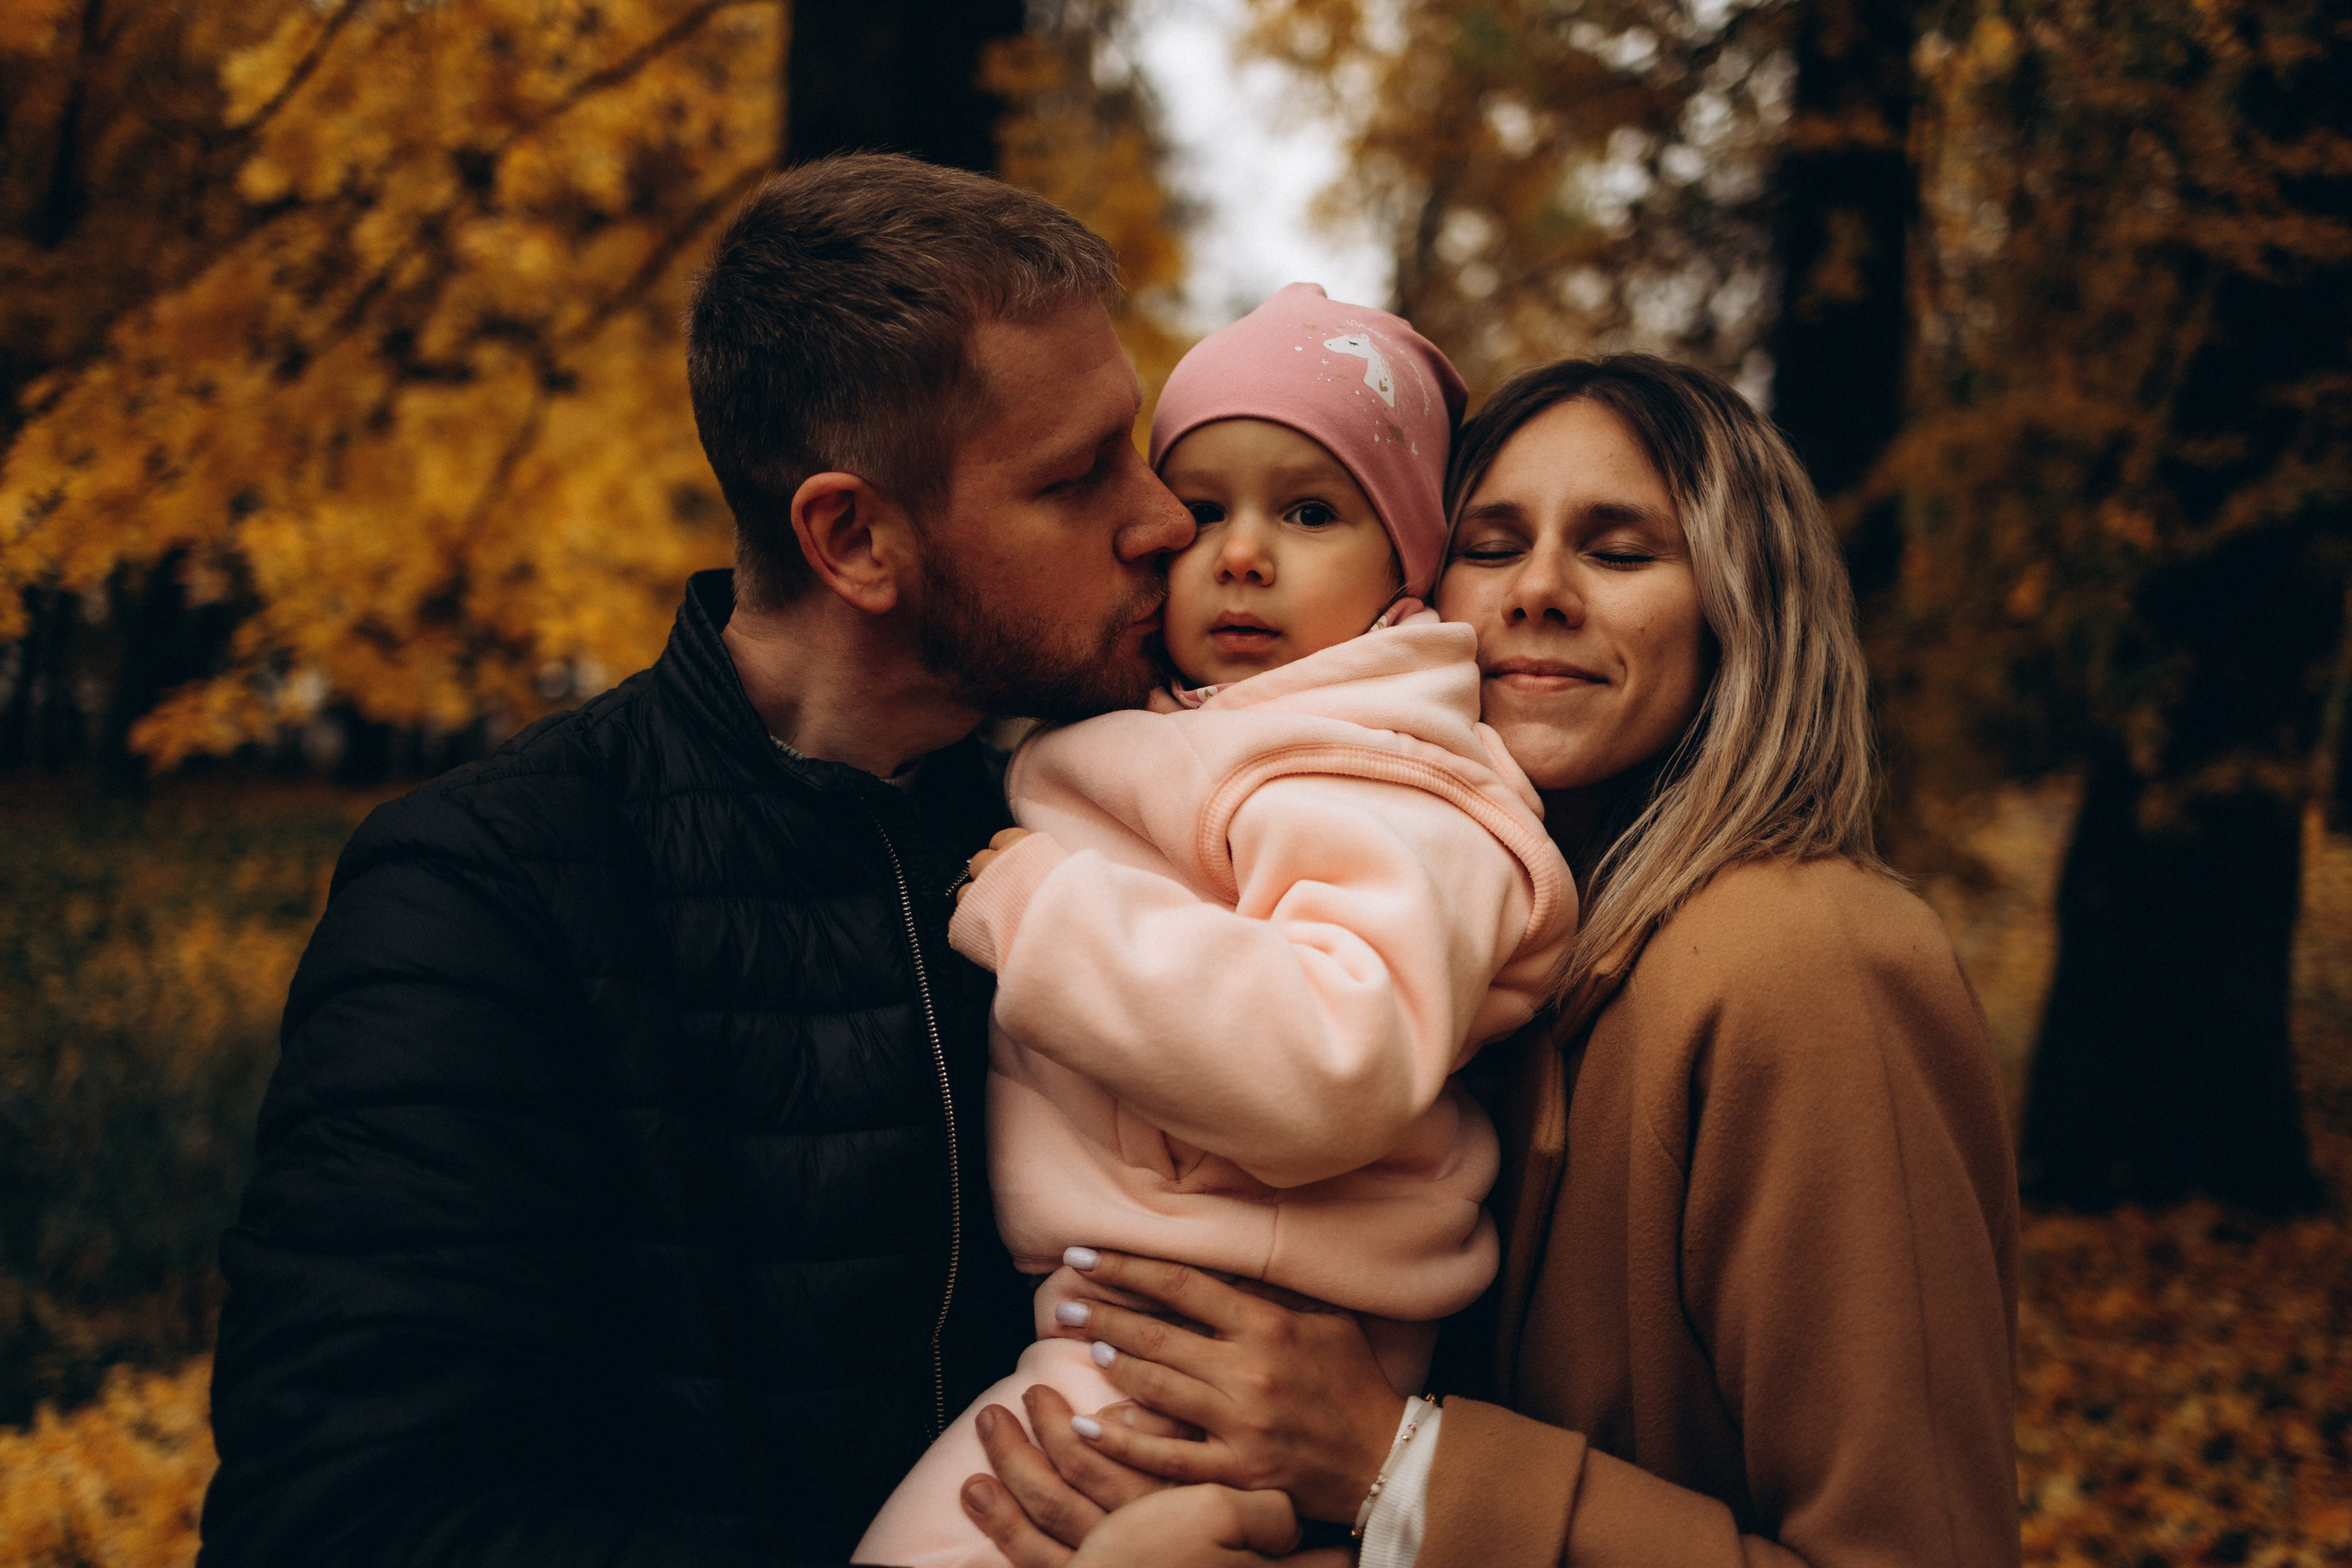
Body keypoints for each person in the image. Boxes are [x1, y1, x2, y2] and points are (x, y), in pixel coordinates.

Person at [195, 153, 1205, 1567]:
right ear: (855, 537)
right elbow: (345, 1519)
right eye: (1078, 475)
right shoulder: (488, 894)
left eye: (1138, 443)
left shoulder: (1101, 850)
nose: (1165, 518)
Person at [958, 355, 2023, 1568]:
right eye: (1493, 542)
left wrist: (1391, 1463)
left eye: (1620, 552)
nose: (1540, 592)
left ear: (1745, 606)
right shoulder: (1482, 960)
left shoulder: (1811, 962)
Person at [853, 285, 1575, 1568]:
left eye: (1309, 512)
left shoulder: (1388, 776)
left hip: (1244, 1327)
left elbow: (1331, 1055)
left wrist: (1043, 910)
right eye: (1202, 512)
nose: (1242, 554)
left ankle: (1228, 1521)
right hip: (1138, 1313)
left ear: (1408, 564)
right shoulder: (1216, 737)